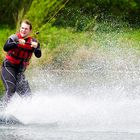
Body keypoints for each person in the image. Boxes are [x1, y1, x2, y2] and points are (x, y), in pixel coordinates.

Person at [1, 19, 41, 104]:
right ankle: (2, 110)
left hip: (20, 72)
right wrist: (16, 42)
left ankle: (25, 113)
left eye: (26, 29)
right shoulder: (14, 37)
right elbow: (5, 47)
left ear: (30, 30)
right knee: (11, 89)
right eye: (22, 28)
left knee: (28, 96)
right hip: (8, 68)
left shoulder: (34, 42)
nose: (23, 30)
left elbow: (38, 55)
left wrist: (36, 47)